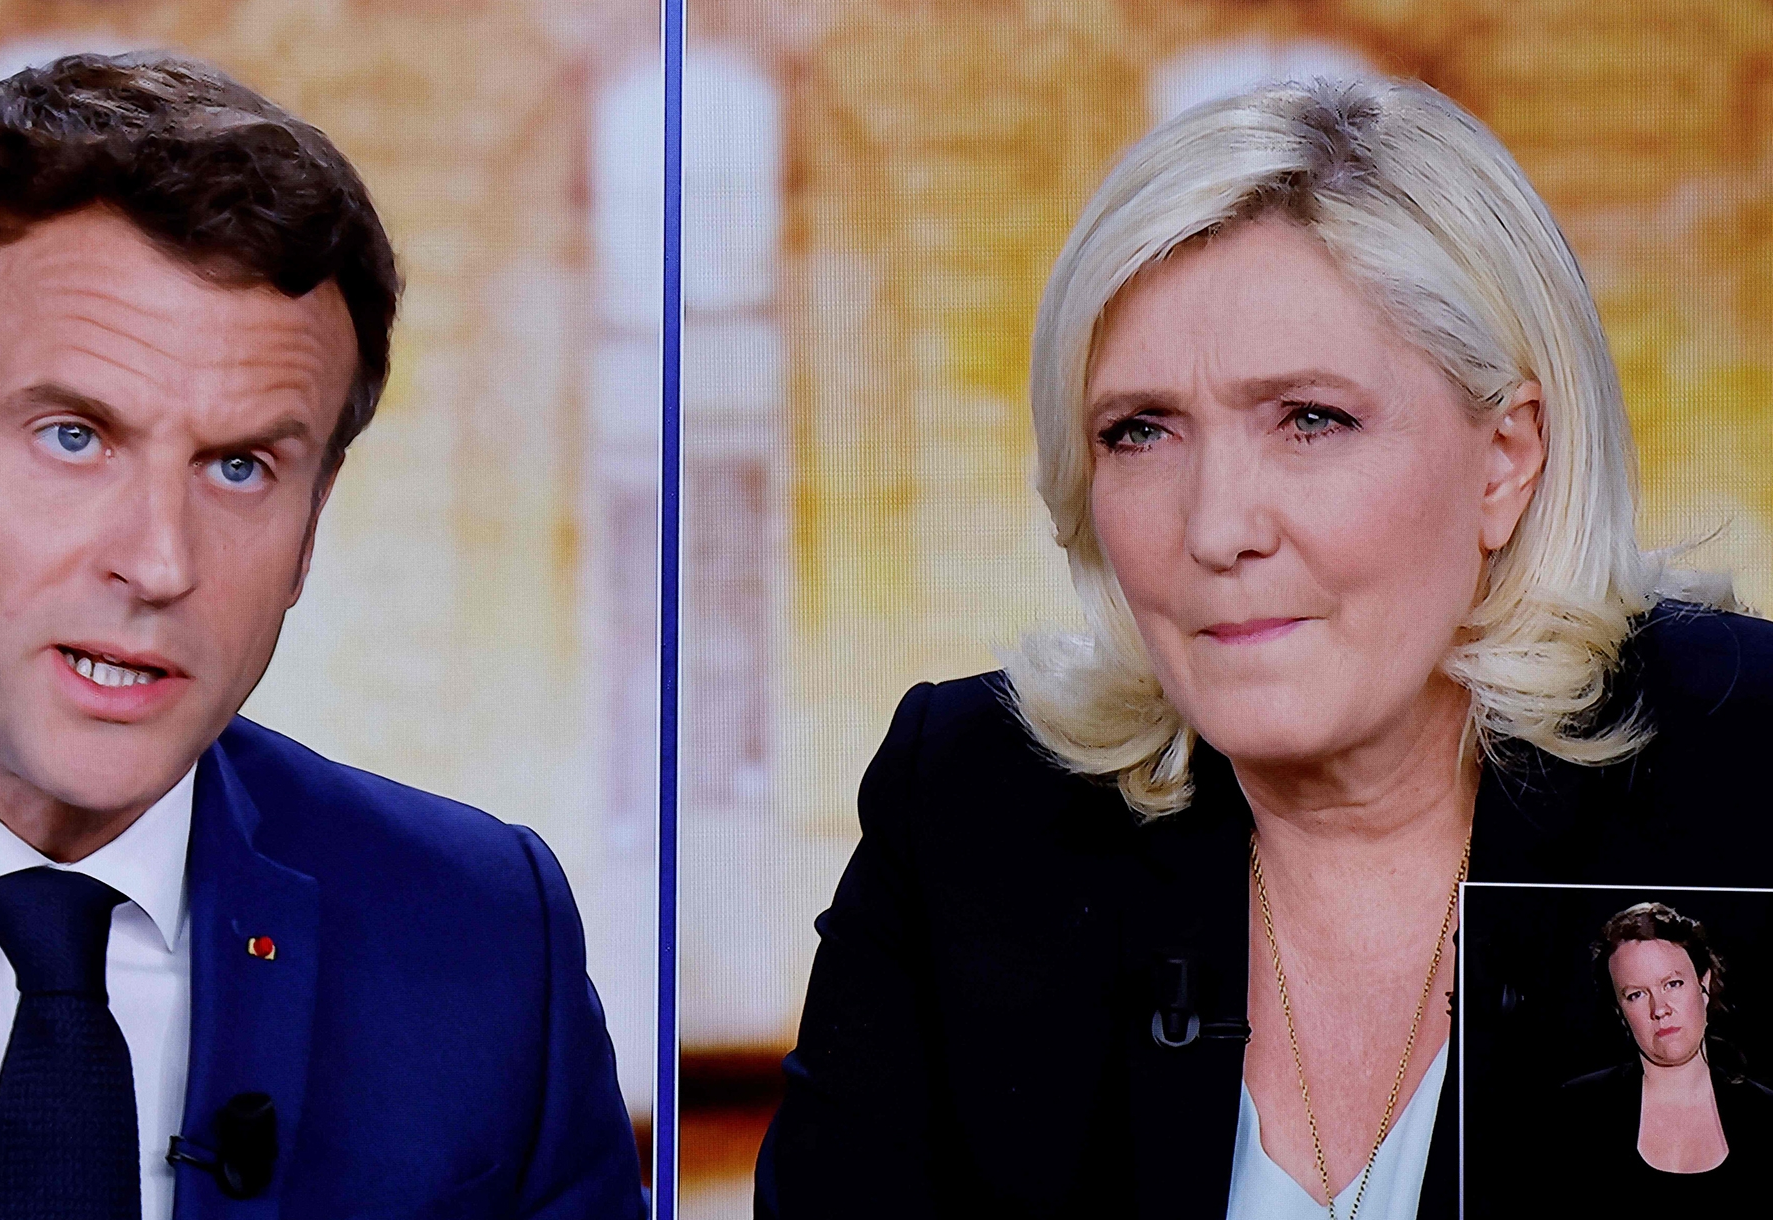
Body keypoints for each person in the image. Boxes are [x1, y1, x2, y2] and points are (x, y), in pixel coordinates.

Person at [0, 54, 643, 1220]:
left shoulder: (483, 939)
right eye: (73, 436)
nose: (159, 561)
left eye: (243, 465)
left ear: (314, 524)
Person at [756, 75, 1773, 1220]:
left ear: (1505, 459)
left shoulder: (1750, 767)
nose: (1216, 527)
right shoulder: (967, 804)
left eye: (1310, 419)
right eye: (1140, 431)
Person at [1552, 902, 1773, 1206]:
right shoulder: (1577, 1112)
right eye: (1636, 995)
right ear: (1620, 1010)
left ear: (1703, 984)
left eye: (1673, 984)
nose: (1660, 1009)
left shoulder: (1765, 1115)